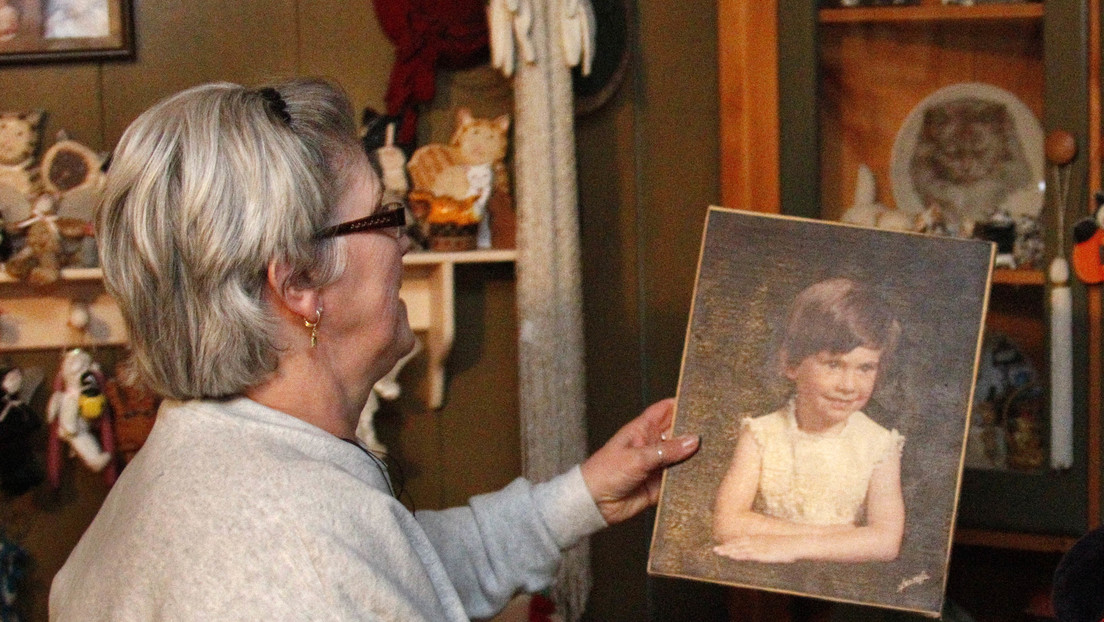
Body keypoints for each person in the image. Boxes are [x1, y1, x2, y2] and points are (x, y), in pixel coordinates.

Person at [48, 78, 700, 620]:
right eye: (384, 218)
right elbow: (335, 572)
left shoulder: (217, 458)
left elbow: (401, 563)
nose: (405, 243)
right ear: (299, 280)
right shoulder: (296, 559)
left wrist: (582, 496)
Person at [711, 277, 905, 564]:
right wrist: (836, 537)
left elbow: (886, 541)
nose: (849, 385)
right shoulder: (761, 434)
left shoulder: (878, 444)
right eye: (833, 364)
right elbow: (726, 524)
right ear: (791, 364)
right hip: (761, 575)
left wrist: (790, 546)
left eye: (865, 368)